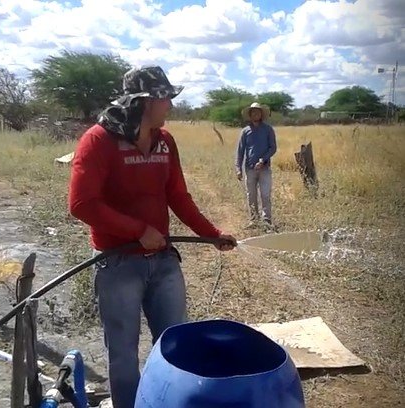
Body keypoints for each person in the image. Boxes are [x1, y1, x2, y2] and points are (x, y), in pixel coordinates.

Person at [68, 65, 237, 408]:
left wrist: (211, 234)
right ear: (145, 101)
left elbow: (178, 196)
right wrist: (137, 231)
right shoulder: (99, 140)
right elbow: (82, 204)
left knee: (176, 345)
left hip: (163, 262)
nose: (170, 106)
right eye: (165, 98)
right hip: (118, 265)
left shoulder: (165, 141)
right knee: (124, 354)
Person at [235, 102, 277, 226]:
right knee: (251, 195)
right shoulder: (245, 131)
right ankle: (253, 220)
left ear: (261, 114)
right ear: (250, 115)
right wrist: (238, 168)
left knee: (265, 195)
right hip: (250, 168)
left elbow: (273, 148)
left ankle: (267, 221)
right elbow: (240, 151)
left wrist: (263, 160)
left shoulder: (268, 129)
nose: (255, 114)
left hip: (264, 168)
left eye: (257, 112)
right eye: (253, 112)